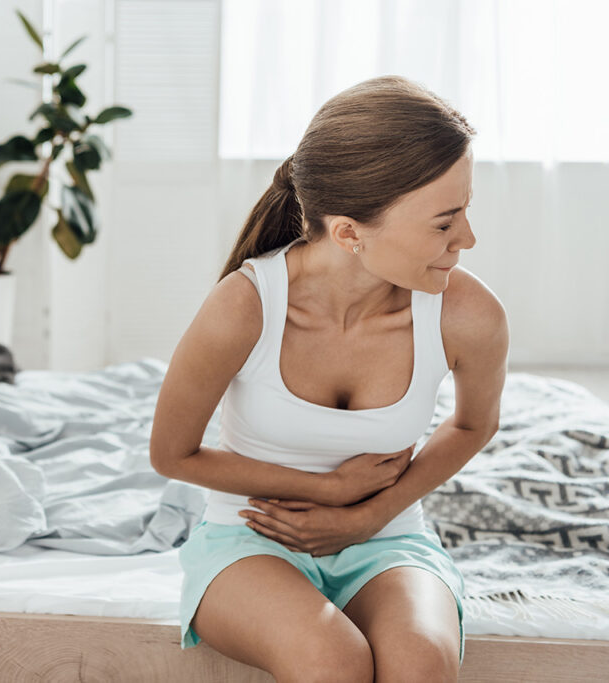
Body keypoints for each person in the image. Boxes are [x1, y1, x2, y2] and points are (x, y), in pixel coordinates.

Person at [149, 75, 508, 682]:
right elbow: (171, 453)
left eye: (465, 210)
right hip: (250, 539)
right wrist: (330, 491)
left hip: (388, 539)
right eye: (444, 223)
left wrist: (369, 515)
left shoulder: (467, 314)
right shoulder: (246, 306)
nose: (467, 240)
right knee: (331, 659)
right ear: (348, 233)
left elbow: (475, 423)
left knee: (420, 660)